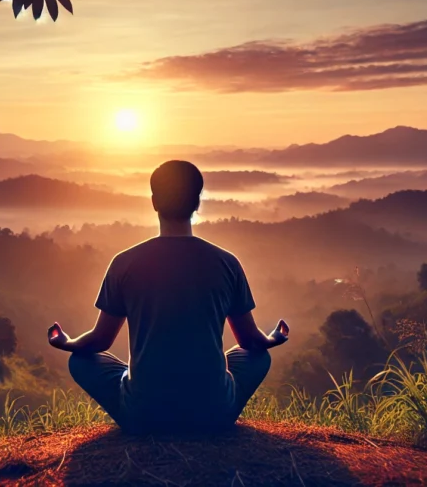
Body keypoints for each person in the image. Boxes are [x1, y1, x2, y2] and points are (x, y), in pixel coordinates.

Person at [47, 160, 289, 434]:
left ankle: (145, 386)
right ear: (198, 203)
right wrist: (273, 339)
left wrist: (67, 343)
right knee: (258, 357)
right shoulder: (227, 263)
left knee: (80, 360)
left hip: (144, 416)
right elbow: (249, 341)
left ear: (154, 202)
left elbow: (100, 340)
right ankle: (210, 402)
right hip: (213, 415)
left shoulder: (124, 263)